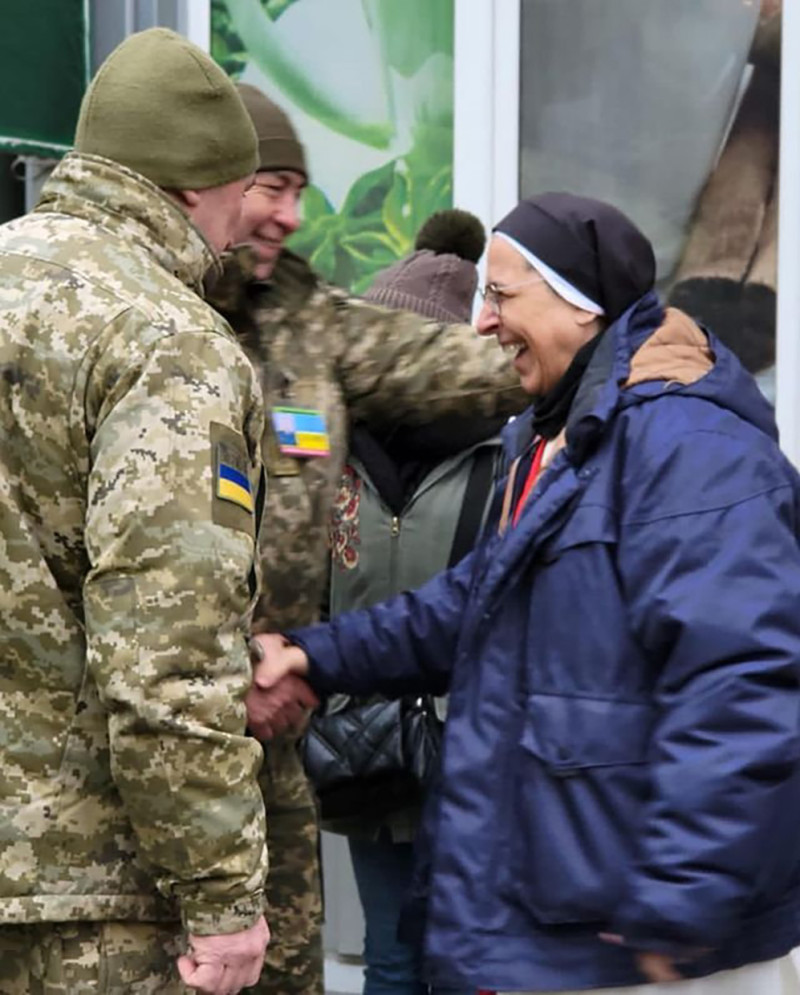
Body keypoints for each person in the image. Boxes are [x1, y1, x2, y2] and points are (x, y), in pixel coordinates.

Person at [248, 192, 800, 994]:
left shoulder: (691, 448)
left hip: (661, 948)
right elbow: (471, 601)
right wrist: (314, 651)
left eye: (501, 296)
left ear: (582, 307)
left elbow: (746, 684)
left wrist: (683, 893)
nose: (481, 323)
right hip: (575, 928)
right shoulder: (560, 436)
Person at [206, 83, 526, 995]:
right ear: (206, 178)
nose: (292, 215)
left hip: (283, 734)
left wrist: (585, 342)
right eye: (273, 185)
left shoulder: (308, 323)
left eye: (300, 189)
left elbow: (444, 362)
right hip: (173, 720)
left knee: (292, 966)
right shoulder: (146, 314)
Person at [0, 29, 270, 995]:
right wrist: (222, 896)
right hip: (86, 903)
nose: (243, 228)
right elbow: (166, 656)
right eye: (246, 192)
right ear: (192, 186)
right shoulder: (165, 338)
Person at [314, 207, 503, 995]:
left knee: (462, 960)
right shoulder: (326, 450)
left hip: (467, 753)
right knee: (389, 957)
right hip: (364, 747)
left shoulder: (503, 453)